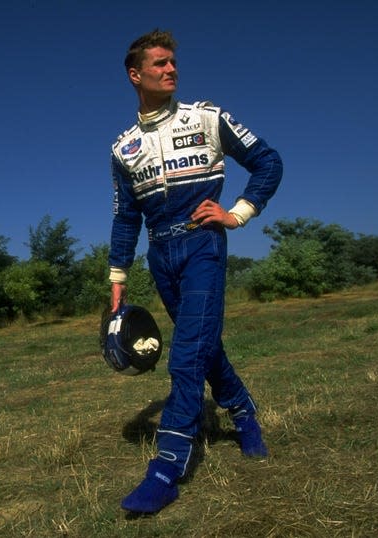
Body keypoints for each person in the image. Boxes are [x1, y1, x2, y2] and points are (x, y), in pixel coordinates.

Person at [107, 29, 283, 514]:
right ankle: (245, 414)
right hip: (160, 255)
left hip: (202, 243)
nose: (171, 70)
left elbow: (267, 161)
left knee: (186, 355)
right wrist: (117, 280)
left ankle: (166, 469)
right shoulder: (122, 148)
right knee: (205, 344)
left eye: (173, 63)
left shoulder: (208, 117)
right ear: (135, 74)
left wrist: (238, 213)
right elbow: (126, 218)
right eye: (159, 64)